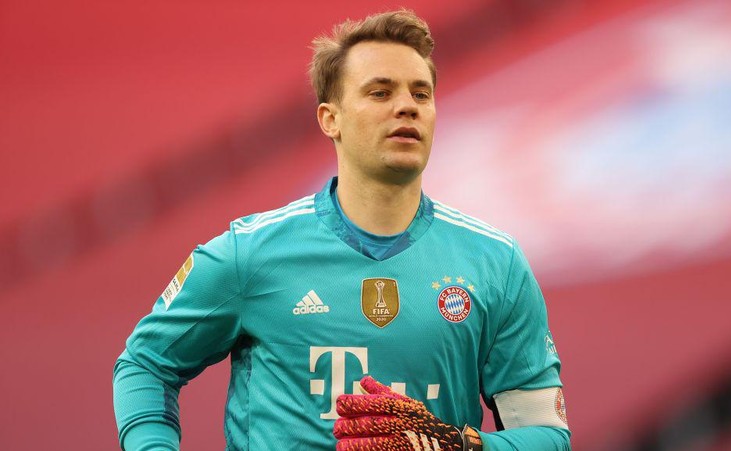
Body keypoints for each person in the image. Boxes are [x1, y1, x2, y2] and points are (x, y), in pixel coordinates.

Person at [113, 9, 571, 450]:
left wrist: (460, 447)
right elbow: (145, 364)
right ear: (330, 119)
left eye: (421, 93)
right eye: (380, 92)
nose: (406, 107)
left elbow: (546, 434)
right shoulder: (250, 253)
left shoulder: (495, 264)